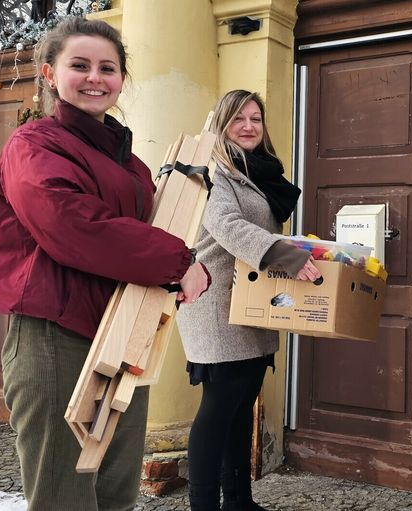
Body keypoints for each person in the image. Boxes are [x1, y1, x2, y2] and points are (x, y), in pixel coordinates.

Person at [0, 17, 210, 511]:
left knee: (116, 494)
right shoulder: (33, 145)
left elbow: (152, 236)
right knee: (64, 499)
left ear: (122, 80)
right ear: (50, 74)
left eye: (107, 67)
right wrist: (178, 260)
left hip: (125, 334)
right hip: (56, 337)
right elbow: (74, 226)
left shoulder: (132, 165)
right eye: (79, 65)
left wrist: (187, 266)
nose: (95, 77)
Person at [177, 90, 320, 511]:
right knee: (218, 412)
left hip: (251, 305)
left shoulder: (254, 173)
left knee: (241, 411)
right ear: (220, 123)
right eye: (238, 118)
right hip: (216, 305)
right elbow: (226, 224)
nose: (248, 126)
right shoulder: (214, 171)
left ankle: (239, 500)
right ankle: (203, 505)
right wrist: (287, 256)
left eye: (256, 118)